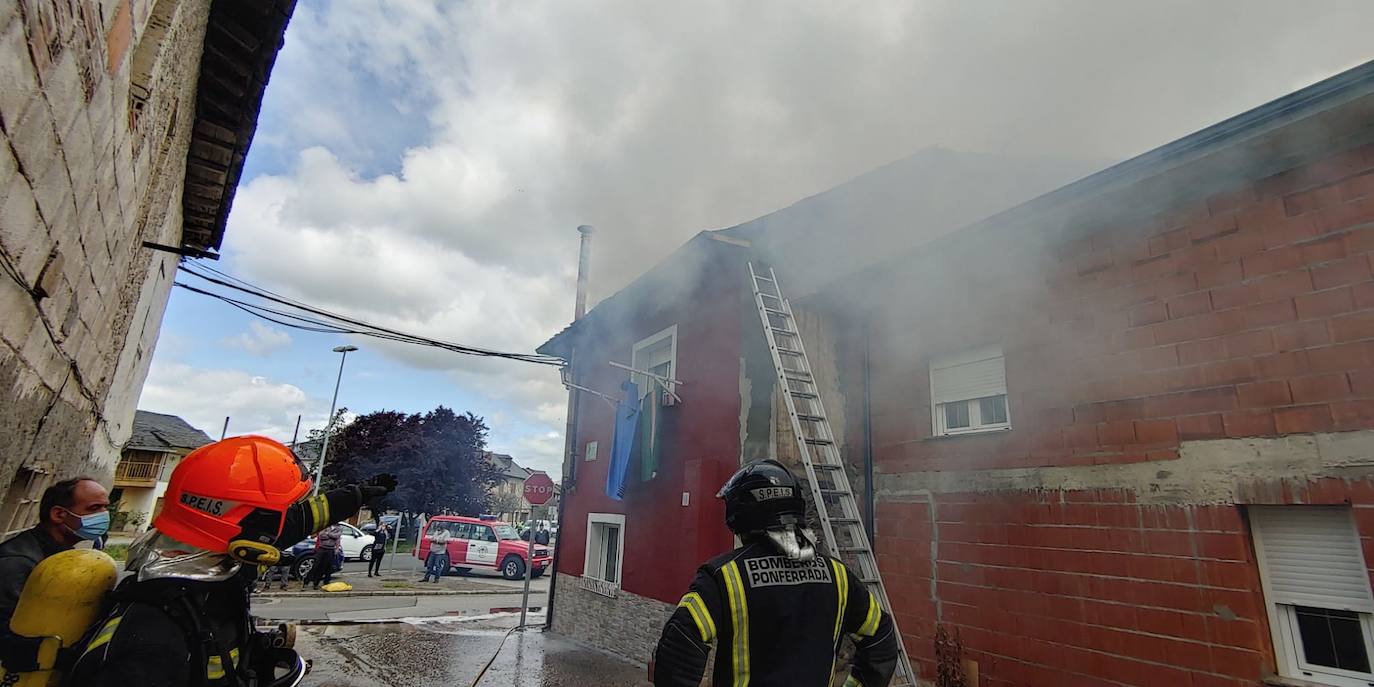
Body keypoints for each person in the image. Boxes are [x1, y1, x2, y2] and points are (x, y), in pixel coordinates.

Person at [63, 435, 395, 686]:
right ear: (242, 522)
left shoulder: (209, 569)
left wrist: (359, 494)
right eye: (277, 516)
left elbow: (300, 520)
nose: (285, 526)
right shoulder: (151, 641)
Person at [651, 459, 899, 687]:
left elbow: (678, 653)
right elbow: (881, 638)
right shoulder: (838, 575)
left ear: (742, 514)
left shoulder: (723, 577)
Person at [0, 477, 110, 673]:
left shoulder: (57, 556)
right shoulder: (18, 562)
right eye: (94, 509)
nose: (104, 516)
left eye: (105, 507)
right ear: (59, 514)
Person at [306, 524, 342, 590]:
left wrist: (328, 534)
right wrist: (332, 535)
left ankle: (316, 583)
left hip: (330, 549)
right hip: (322, 548)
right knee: (315, 565)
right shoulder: (325, 525)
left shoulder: (339, 528)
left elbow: (337, 537)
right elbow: (321, 535)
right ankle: (306, 582)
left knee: (323, 567)